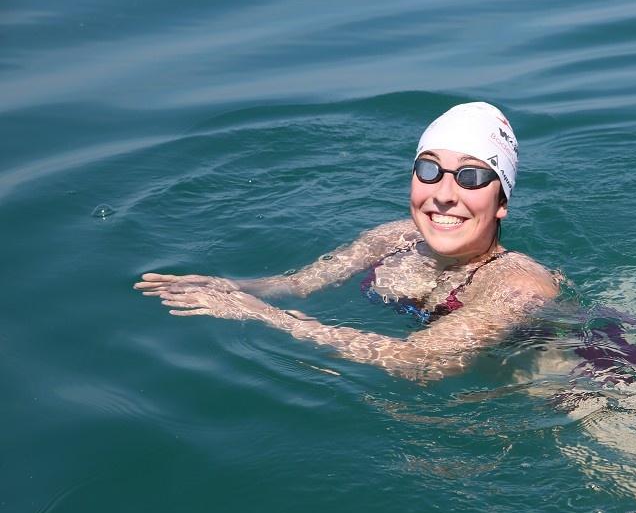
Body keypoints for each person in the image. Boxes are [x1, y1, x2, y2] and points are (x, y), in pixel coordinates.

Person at [135, 102, 558, 381]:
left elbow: (421, 361)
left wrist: (264, 316)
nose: (444, 193)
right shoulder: (393, 238)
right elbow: (297, 285)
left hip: (587, 396)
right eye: (429, 170)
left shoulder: (517, 286)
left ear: (502, 201)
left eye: (471, 176)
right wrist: (230, 287)